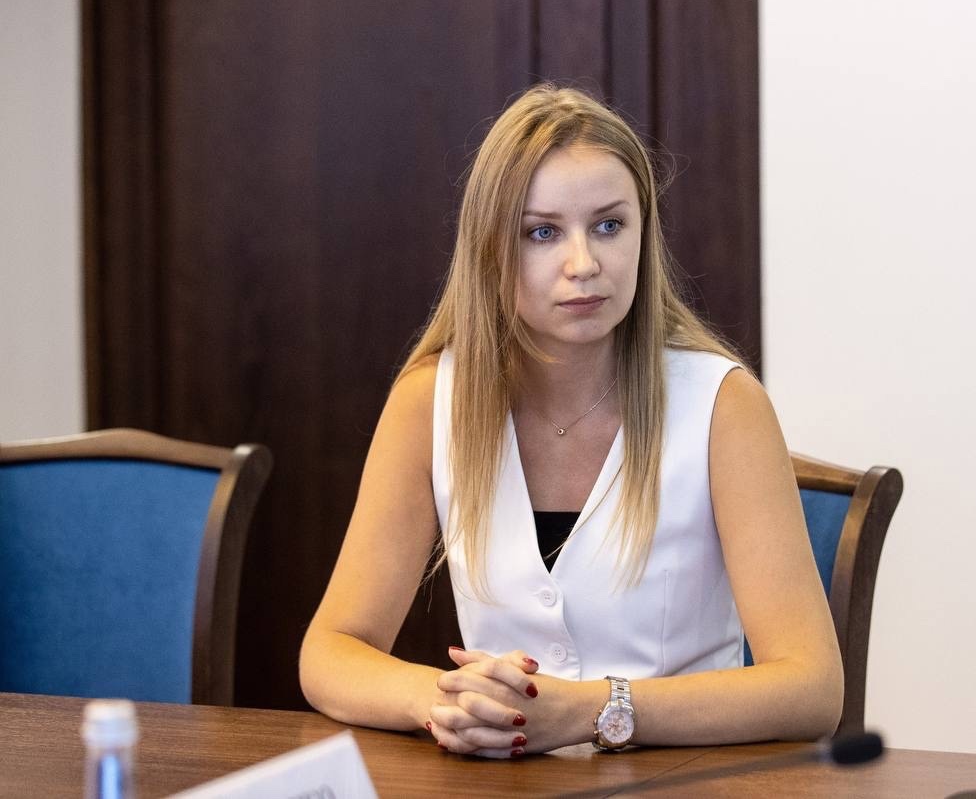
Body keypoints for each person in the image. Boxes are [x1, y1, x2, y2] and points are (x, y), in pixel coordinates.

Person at [299, 84, 843, 758]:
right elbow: (331, 650)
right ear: (491, 248)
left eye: (609, 226)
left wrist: (594, 710)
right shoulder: (429, 400)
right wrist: (442, 700)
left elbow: (812, 687)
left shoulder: (724, 405)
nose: (584, 264)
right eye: (543, 232)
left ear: (643, 234)